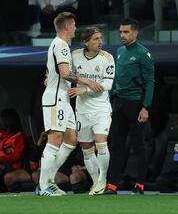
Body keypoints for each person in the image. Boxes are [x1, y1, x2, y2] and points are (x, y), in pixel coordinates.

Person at [39, 12, 103, 196]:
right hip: (55, 98)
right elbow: (65, 73)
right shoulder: (61, 45)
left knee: (71, 139)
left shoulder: (60, 45)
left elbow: (54, 71)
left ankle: (49, 179)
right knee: (54, 140)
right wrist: (88, 82)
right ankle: (43, 186)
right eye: (74, 24)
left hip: (63, 98)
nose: (76, 27)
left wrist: (50, 78)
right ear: (66, 26)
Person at [105, 18, 155, 195]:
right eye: (120, 32)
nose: (122, 35)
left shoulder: (143, 54)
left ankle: (140, 184)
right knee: (116, 145)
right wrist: (111, 100)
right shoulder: (119, 51)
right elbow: (116, 78)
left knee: (138, 145)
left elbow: (150, 81)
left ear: (135, 33)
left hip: (135, 104)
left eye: (126, 32)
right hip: (119, 103)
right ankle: (112, 185)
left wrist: (145, 107)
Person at [68, 27, 115, 195]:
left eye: (101, 38)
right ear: (86, 42)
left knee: (101, 143)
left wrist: (85, 90)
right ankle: (96, 183)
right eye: (95, 39)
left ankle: (102, 179)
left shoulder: (107, 58)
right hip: (82, 110)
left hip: (101, 108)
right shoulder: (75, 56)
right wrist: (47, 76)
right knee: (86, 149)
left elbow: (108, 85)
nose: (100, 42)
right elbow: (65, 73)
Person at [0, 108, 27, 192]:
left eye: (7, 118)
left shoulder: (20, 137)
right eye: (3, 118)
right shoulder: (2, 135)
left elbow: (15, 156)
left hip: (13, 166)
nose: (4, 121)